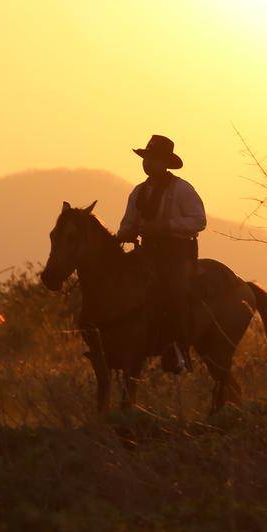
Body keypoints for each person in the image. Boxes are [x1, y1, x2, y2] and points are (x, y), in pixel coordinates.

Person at [114, 134, 207, 373]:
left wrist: (167, 226)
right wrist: (124, 233)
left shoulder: (182, 189)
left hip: (177, 253)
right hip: (149, 252)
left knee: (173, 292)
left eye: (153, 159)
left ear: (164, 162)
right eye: (146, 158)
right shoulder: (138, 192)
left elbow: (199, 220)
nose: (147, 163)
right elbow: (127, 223)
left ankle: (178, 350)